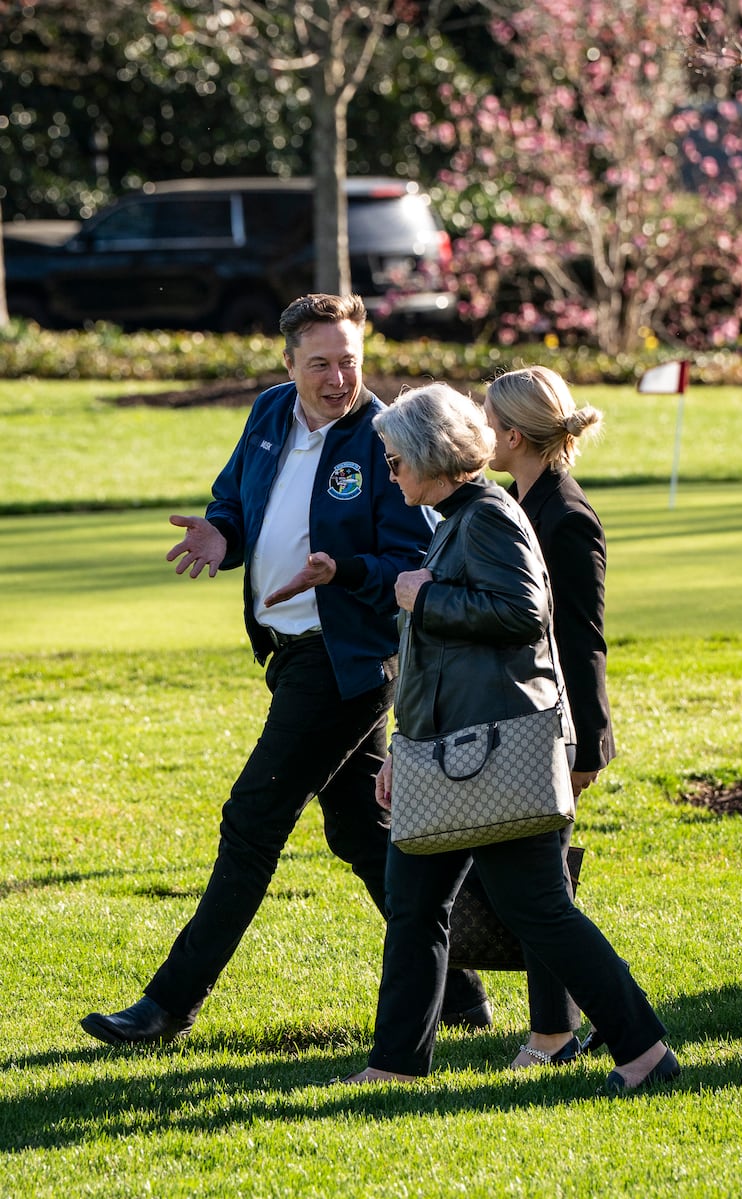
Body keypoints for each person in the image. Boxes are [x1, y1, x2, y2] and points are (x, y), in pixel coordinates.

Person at [80, 293, 488, 1046]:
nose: (340, 379)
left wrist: (342, 570)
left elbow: (410, 561)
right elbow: (236, 501)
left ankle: (167, 1004)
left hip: (346, 664)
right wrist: (220, 534)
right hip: (288, 653)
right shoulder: (270, 412)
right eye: (322, 363)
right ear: (289, 363)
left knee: (253, 818)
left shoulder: (387, 434)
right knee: (364, 835)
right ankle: (461, 993)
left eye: (351, 362)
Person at [340, 382, 679, 1093]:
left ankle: (644, 1051)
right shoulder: (456, 516)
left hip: (491, 753)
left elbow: (522, 611)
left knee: (537, 911)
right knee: (415, 905)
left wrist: (422, 594)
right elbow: (439, 660)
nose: (392, 470)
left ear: (434, 457)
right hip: (449, 751)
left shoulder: (488, 514)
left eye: (398, 459)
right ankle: (394, 1064)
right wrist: (403, 747)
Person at [481, 365, 615, 1068]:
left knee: (539, 889)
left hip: (557, 729)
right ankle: (580, 1018)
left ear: (512, 434)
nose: (480, 432)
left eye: (487, 422)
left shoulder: (566, 517)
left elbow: (583, 638)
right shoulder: (515, 502)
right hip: (521, 719)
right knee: (541, 885)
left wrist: (587, 743)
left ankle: (554, 1035)